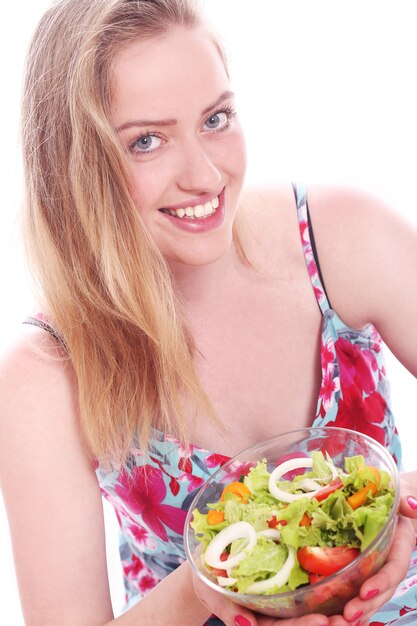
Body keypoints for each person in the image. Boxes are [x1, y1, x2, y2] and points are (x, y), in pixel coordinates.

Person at [0, 1, 416, 625]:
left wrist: (406, 506)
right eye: (147, 140)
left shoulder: (339, 237)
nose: (205, 175)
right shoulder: (47, 374)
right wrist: (201, 589)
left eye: (216, 118)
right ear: (77, 168)